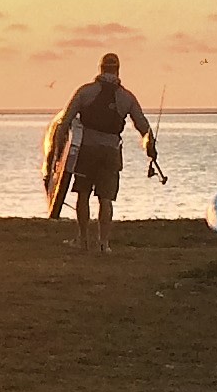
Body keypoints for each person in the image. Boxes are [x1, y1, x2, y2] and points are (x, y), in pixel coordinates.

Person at [58, 52, 154, 252]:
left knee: (83, 193)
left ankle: (82, 240)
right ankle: (104, 243)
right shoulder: (127, 97)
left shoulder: (85, 92)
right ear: (118, 70)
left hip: (87, 150)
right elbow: (143, 127)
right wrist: (151, 150)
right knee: (106, 198)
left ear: (100, 68)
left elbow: (65, 121)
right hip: (111, 152)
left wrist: (59, 153)